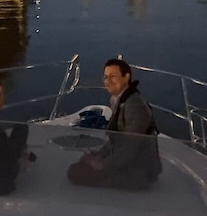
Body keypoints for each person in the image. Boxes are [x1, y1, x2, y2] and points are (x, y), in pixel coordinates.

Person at [67, 58, 161, 189]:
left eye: (112, 77)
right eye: (105, 77)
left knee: (75, 173)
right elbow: (117, 140)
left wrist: (101, 164)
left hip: (138, 172)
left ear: (126, 77)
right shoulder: (119, 99)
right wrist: (99, 155)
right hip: (126, 162)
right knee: (82, 163)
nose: (108, 81)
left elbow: (130, 147)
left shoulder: (134, 106)